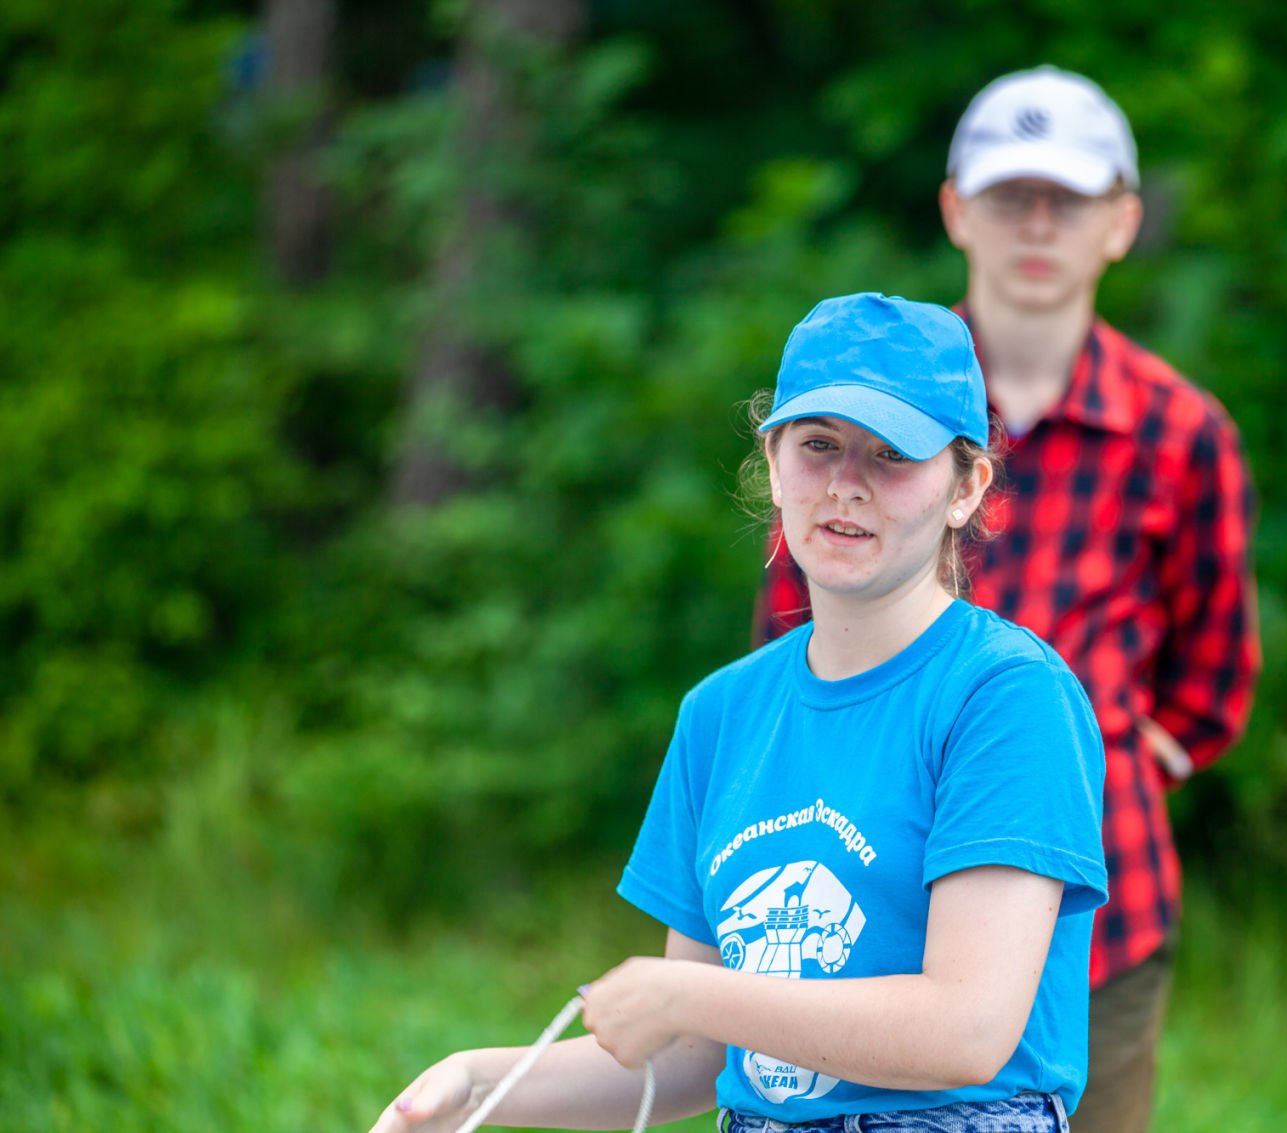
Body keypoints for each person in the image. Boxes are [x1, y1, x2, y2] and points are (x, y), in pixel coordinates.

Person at [369, 292, 1108, 1133]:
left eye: (892, 454)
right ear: (774, 462)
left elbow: (966, 1030)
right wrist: (472, 1085)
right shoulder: (721, 713)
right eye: (819, 445)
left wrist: (692, 994)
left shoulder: (1005, 694)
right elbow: (695, 1056)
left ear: (966, 488)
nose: (846, 485)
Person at [756, 67, 1261, 1133]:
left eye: (1067, 199)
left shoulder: (1181, 432)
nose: (1036, 223)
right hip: (873, 881)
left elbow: (1211, 675)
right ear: (954, 209)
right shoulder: (871, 405)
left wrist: (1112, 753)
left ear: (1121, 222)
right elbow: (796, 635)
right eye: (1008, 195)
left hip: (1101, 899)